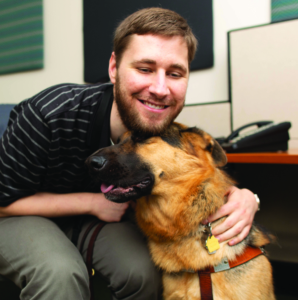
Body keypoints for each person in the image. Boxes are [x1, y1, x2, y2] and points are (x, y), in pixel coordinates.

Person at [0, 7, 259, 300]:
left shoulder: (162, 125)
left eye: (174, 73)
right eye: (145, 69)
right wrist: (91, 202)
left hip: (93, 222)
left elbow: (197, 174)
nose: (160, 89)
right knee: (59, 274)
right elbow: (3, 201)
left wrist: (246, 197)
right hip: (15, 213)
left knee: (142, 270)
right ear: (114, 67)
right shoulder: (47, 113)